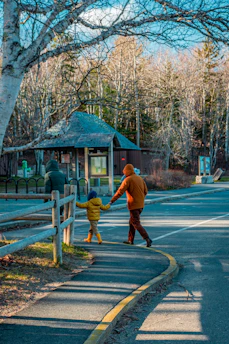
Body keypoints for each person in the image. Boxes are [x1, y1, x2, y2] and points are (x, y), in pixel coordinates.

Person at [110, 163, 152, 247]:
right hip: (140, 205)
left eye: (124, 172)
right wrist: (140, 198)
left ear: (126, 171)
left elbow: (120, 192)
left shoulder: (127, 180)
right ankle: (130, 240)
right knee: (132, 222)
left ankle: (147, 238)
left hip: (133, 205)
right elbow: (146, 191)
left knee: (135, 222)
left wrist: (112, 201)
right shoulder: (140, 178)